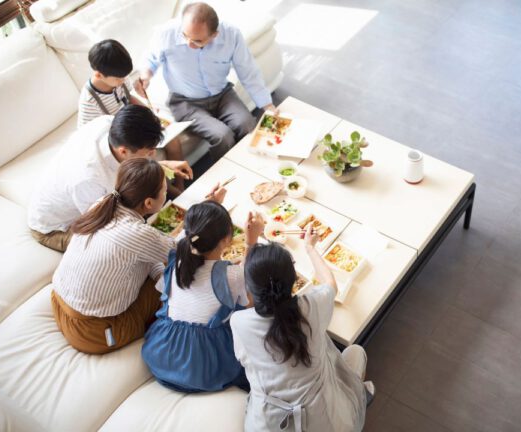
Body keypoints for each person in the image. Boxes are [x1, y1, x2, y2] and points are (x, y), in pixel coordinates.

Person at [51, 158, 225, 354]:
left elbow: (146, 252)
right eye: (164, 190)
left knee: (161, 269)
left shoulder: (103, 203)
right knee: (182, 282)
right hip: (93, 332)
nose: (166, 191)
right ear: (149, 203)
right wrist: (208, 211)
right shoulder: (137, 234)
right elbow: (185, 253)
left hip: (58, 302)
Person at [231, 225, 374, 432]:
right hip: (327, 422)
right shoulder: (311, 306)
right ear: (294, 280)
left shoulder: (239, 322)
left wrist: (250, 243)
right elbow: (330, 283)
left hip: (267, 423)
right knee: (355, 352)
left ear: (249, 288)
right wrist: (310, 247)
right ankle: (358, 397)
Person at [28, 105, 192, 252]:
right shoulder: (90, 179)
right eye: (149, 152)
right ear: (122, 151)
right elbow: (106, 225)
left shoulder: (107, 123)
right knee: (122, 249)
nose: (153, 154)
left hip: (83, 196)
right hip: (57, 229)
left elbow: (130, 165)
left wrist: (162, 165)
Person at [142, 205, 264, 393]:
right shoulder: (232, 275)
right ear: (226, 240)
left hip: (163, 355)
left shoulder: (177, 262)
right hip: (202, 368)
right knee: (253, 300)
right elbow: (246, 304)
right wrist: (251, 243)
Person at [136, 2, 276, 160]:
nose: (189, 44)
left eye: (197, 41)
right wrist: (146, 75)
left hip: (223, 94)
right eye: (185, 36)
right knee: (222, 136)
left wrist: (267, 105)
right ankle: (228, 175)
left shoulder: (231, 35)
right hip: (185, 102)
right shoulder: (165, 33)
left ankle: (254, 166)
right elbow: (150, 58)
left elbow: (248, 71)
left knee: (247, 125)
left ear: (214, 35)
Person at [79, 39, 185, 166]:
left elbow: (129, 98)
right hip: (117, 138)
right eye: (119, 78)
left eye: (125, 76)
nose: (123, 80)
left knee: (173, 139)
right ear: (98, 75)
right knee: (144, 160)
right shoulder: (89, 101)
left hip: (132, 125)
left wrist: (148, 111)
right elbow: (89, 136)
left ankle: (180, 183)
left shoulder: (119, 78)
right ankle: (166, 183)